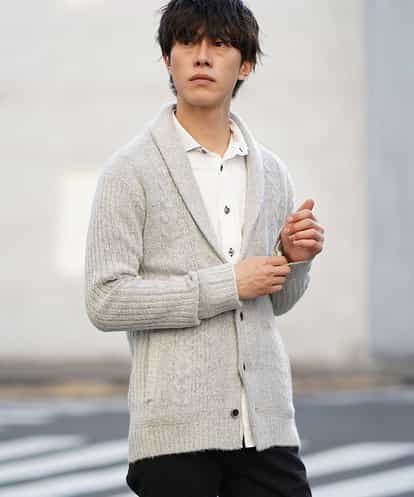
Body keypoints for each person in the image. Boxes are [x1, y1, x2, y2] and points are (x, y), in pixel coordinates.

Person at [84, 0, 325, 495]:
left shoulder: (271, 172)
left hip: (266, 428)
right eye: (187, 42)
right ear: (167, 59)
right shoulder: (129, 172)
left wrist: (294, 262)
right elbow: (105, 299)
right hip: (175, 435)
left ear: (246, 64)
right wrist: (227, 284)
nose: (201, 56)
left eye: (219, 43)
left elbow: (274, 302)